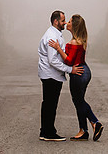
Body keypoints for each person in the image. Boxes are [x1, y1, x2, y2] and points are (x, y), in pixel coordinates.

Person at [49, 14, 104, 141]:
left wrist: (58, 48)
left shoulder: (75, 42)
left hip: (78, 73)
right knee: (79, 101)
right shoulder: (80, 40)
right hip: (83, 71)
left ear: (74, 25)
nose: (66, 23)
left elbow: (69, 61)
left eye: (69, 21)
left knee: (79, 101)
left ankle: (95, 123)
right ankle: (83, 131)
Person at [38, 10, 84, 141]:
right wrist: (70, 69)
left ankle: (45, 131)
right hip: (50, 75)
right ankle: (48, 133)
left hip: (51, 75)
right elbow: (52, 60)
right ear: (56, 21)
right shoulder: (52, 36)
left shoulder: (55, 34)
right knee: (50, 104)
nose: (64, 23)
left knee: (49, 103)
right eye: (63, 20)